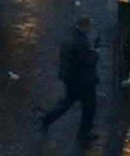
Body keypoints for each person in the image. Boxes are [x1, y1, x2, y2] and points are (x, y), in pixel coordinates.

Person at [39, 15, 99, 148]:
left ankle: (47, 119)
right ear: (84, 26)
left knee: (67, 101)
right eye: (89, 26)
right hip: (82, 80)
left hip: (71, 78)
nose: (90, 29)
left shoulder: (71, 34)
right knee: (89, 105)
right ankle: (84, 132)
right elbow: (88, 60)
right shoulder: (79, 42)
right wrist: (95, 54)